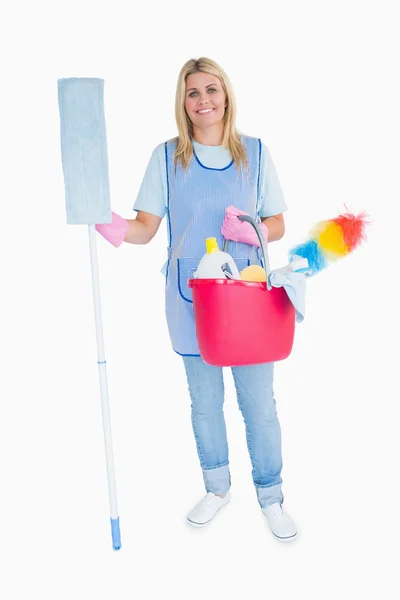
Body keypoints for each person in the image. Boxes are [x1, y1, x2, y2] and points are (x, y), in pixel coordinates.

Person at [97, 57, 297, 541]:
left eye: (212, 89)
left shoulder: (256, 152)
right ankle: (217, 488)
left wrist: (251, 231)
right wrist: (104, 221)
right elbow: (145, 228)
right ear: (183, 104)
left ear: (226, 95)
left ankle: (271, 497)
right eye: (193, 93)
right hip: (192, 300)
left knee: (260, 404)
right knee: (205, 403)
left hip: (248, 297)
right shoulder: (167, 157)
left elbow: (279, 223)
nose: (203, 99)